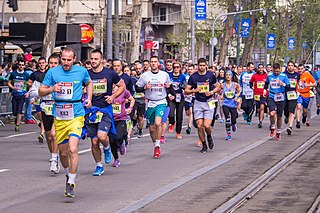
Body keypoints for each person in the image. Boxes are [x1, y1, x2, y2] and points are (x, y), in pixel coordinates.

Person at [39, 47, 93, 198]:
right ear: (60, 58)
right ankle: (68, 174)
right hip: (60, 115)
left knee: (72, 149)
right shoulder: (53, 72)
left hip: (76, 114)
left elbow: (89, 83)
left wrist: (89, 98)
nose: (66, 63)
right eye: (64, 59)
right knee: (63, 152)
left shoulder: (81, 71)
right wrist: (51, 89)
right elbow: (40, 91)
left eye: (69, 60)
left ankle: (71, 182)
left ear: (74, 59)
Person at [84, 49, 125, 176]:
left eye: (96, 59)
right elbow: (80, 88)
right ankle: (99, 165)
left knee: (102, 137)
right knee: (94, 141)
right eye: (92, 59)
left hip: (105, 110)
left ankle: (107, 148)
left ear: (101, 60)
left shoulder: (110, 73)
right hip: (91, 111)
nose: (93, 61)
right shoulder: (87, 74)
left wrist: (113, 97)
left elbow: (122, 86)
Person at [29, 53, 61, 173]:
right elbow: (33, 91)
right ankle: (53, 154)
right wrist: (44, 92)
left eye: (55, 63)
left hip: (59, 107)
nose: (53, 65)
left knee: (54, 134)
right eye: (51, 63)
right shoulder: (42, 77)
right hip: (45, 106)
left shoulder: (63, 76)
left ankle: (54, 159)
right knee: (48, 136)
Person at [135, 56, 171, 158]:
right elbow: (137, 88)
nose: (153, 63)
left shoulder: (164, 75)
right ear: (149, 64)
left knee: (158, 123)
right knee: (151, 128)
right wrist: (145, 87)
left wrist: (169, 88)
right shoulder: (145, 76)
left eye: (155, 62)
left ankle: (158, 145)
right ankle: (155, 143)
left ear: (158, 64)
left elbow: (169, 86)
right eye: (152, 62)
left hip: (161, 102)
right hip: (150, 102)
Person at [185, 58, 220, 153]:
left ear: (206, 66)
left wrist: (212, 91)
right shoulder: (193, 77)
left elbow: (218, 87)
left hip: (209, 102)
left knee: (207, 125)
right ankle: (204, 145)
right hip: (198, 102)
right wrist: (194, 90)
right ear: (197, 66)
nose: (202, 67)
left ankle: (209, 136)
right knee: (200, 126)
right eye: (200, 65)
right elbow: (186, 90)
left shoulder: (210, 75)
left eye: (203, 65)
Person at [264, 63, 290, 141]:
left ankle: (278, 131)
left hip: (281, 97)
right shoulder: (269, 76)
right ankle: (272, 126)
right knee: (272, 113)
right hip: (272, 96)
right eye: (275, 71)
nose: (276, 73)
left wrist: (283, 84)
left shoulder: (284, 76)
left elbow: (288, 87)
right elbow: (266, 84)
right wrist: (265, 91)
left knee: (279, 116)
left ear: (280, 69)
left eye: (277, 71)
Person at [110, 86, 134, 167]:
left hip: (121, 118)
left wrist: (130, 108)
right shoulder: (107, 90)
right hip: (110, 119)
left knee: (118, 137)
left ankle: (123, 140)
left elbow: (132, 99)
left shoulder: (123, 91)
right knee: (112, 141)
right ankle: (116, 159)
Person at [28, 57, 47, 143]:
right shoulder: (35, 74)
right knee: (40, 117)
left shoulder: (49, 73)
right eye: (40, 63)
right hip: (38, 98)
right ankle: (42, 126)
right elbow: (30, 84)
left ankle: (42, 134)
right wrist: (32, 95)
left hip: (47, 100)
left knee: (44, 116)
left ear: (46, 63)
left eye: (43, 63)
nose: (42, 64)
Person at [8, 60, 30, 132]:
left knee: (19, 110)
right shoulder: (13, 74)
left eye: (22, 65)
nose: (21, 66)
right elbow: (9, 83)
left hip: (22, 95)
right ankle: (16, 118)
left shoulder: (26, 75)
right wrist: (13, 88)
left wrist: (28, 92)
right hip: (15, 94)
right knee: (14, 111)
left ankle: (17, 125)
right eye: (20, 65)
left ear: (24, 66)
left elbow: (31, 85)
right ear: (18, 65)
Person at [168, 62, 186, 139]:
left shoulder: (182, 77)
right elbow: (166, 86)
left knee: (179, 115)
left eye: (177, 67)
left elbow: (185, 87)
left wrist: (183, 90)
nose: (176, 69)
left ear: (180, 68)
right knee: (171, 113)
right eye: (174, 67)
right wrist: (169, 94)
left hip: (180, 98)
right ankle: (172, 122)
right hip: (171, 97)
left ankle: (178, 132)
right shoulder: (169, 76)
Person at [221, 70, 241, 140]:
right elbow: (219, 91)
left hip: (233, 104)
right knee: (227, 119)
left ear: (232, 76)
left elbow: (239, 91)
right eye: (227, 75)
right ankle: (228, 134)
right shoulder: (222, 84)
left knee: (233, 119)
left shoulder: (235, 84)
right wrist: (221, 95)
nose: (228, 76)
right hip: (225, 103)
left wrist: (236, 96)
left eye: (229, 75)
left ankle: (234, 124)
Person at [283, 61, 299, 135]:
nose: (290, 67)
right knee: (286, 111)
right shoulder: (284, 74)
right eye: (289, 65)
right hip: (285, 95)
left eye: (292, 65)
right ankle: (286, 116)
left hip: (293, 95)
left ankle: (290, 127)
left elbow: (300, 84)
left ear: (294, 67)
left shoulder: (297, 75)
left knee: (291, 111)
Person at [249, 64, 268, 128]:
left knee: (262, 107)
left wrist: (267, 89)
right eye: (259, 68)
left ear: (263, 68)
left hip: (263, 94)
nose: (260, 69)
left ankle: (260, 121)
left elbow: (268, 83)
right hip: (256, 94)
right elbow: (250, 82)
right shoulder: (254, 75)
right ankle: (260, 117)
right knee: (258, 108)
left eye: (261, 68)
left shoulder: (266, 75)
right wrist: (252, 87)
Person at [131, 63, 146, 138]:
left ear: (142, 69)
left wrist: (145, 94)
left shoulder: (144, 78)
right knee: (134, 114)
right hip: (134, 100)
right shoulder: (132, 79)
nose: (138, 70)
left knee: (140, 117)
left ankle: (140, 129)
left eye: (139, 68)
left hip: (142, 100)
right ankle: (134, 121)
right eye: (137, 69)